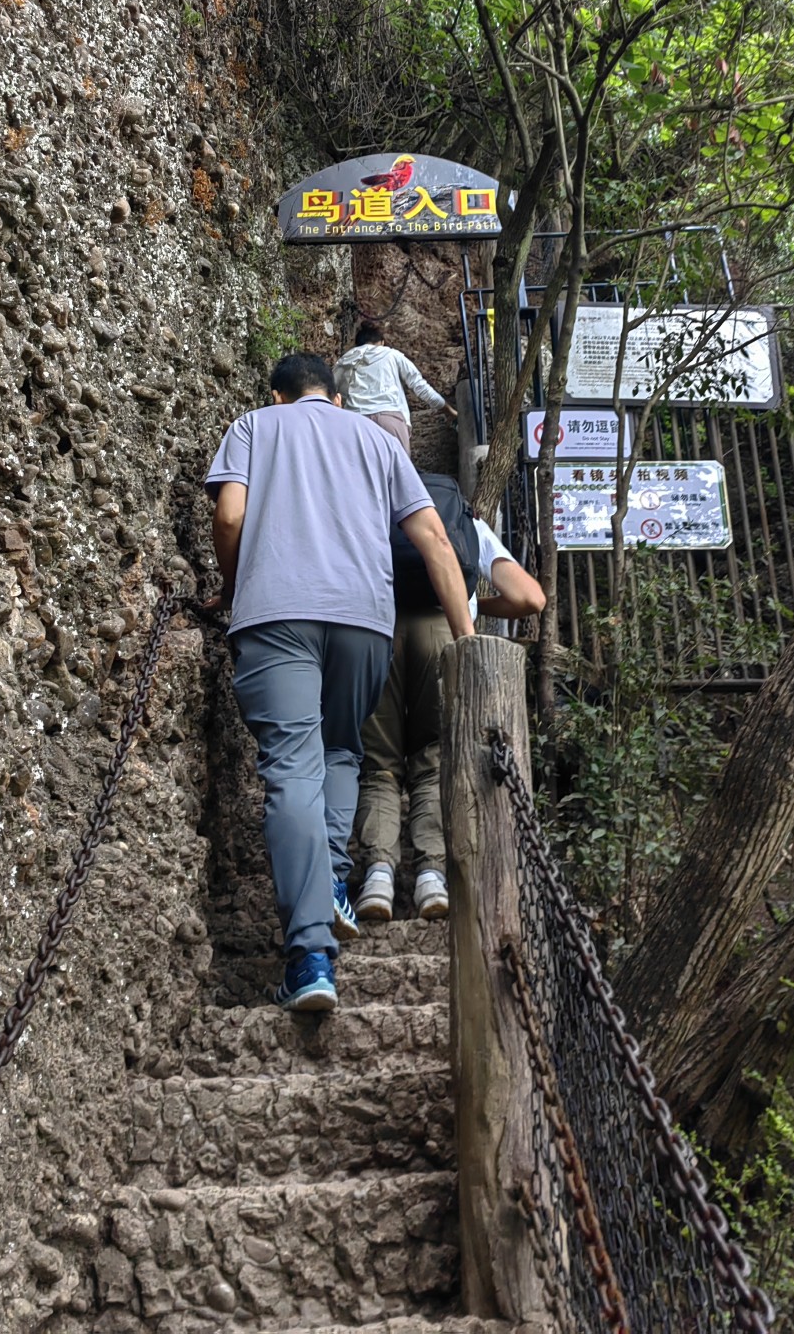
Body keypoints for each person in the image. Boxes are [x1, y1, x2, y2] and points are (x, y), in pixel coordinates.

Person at [205, 352, 472, 1014]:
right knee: (342, 752)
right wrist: (467, 642)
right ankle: (327, 884)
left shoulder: (254, 427)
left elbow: (231, 518)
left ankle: (309, 957)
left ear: (276, 394)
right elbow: (435, 539)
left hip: (278, 617)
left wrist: (233, 587)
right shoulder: (376, 443)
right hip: (364, 624)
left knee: (292, 769)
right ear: (340, 398)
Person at [355, 480, 545, 923]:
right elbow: (531, 597)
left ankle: (378, 877)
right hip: (443, 630)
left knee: (378, 764)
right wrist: (472, 604)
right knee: (434, 759)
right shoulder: (464, 523)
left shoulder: (364, 502)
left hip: (376, 629)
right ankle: (431, 879)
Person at [334, 318, 457, 455]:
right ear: (381, 342)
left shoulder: (345, 360)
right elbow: (420, 386)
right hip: (389, 420)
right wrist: (448, 411)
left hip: (355, 423)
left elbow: (329, 392)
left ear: (357, 344)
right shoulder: (392, 355)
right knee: (399, 474)